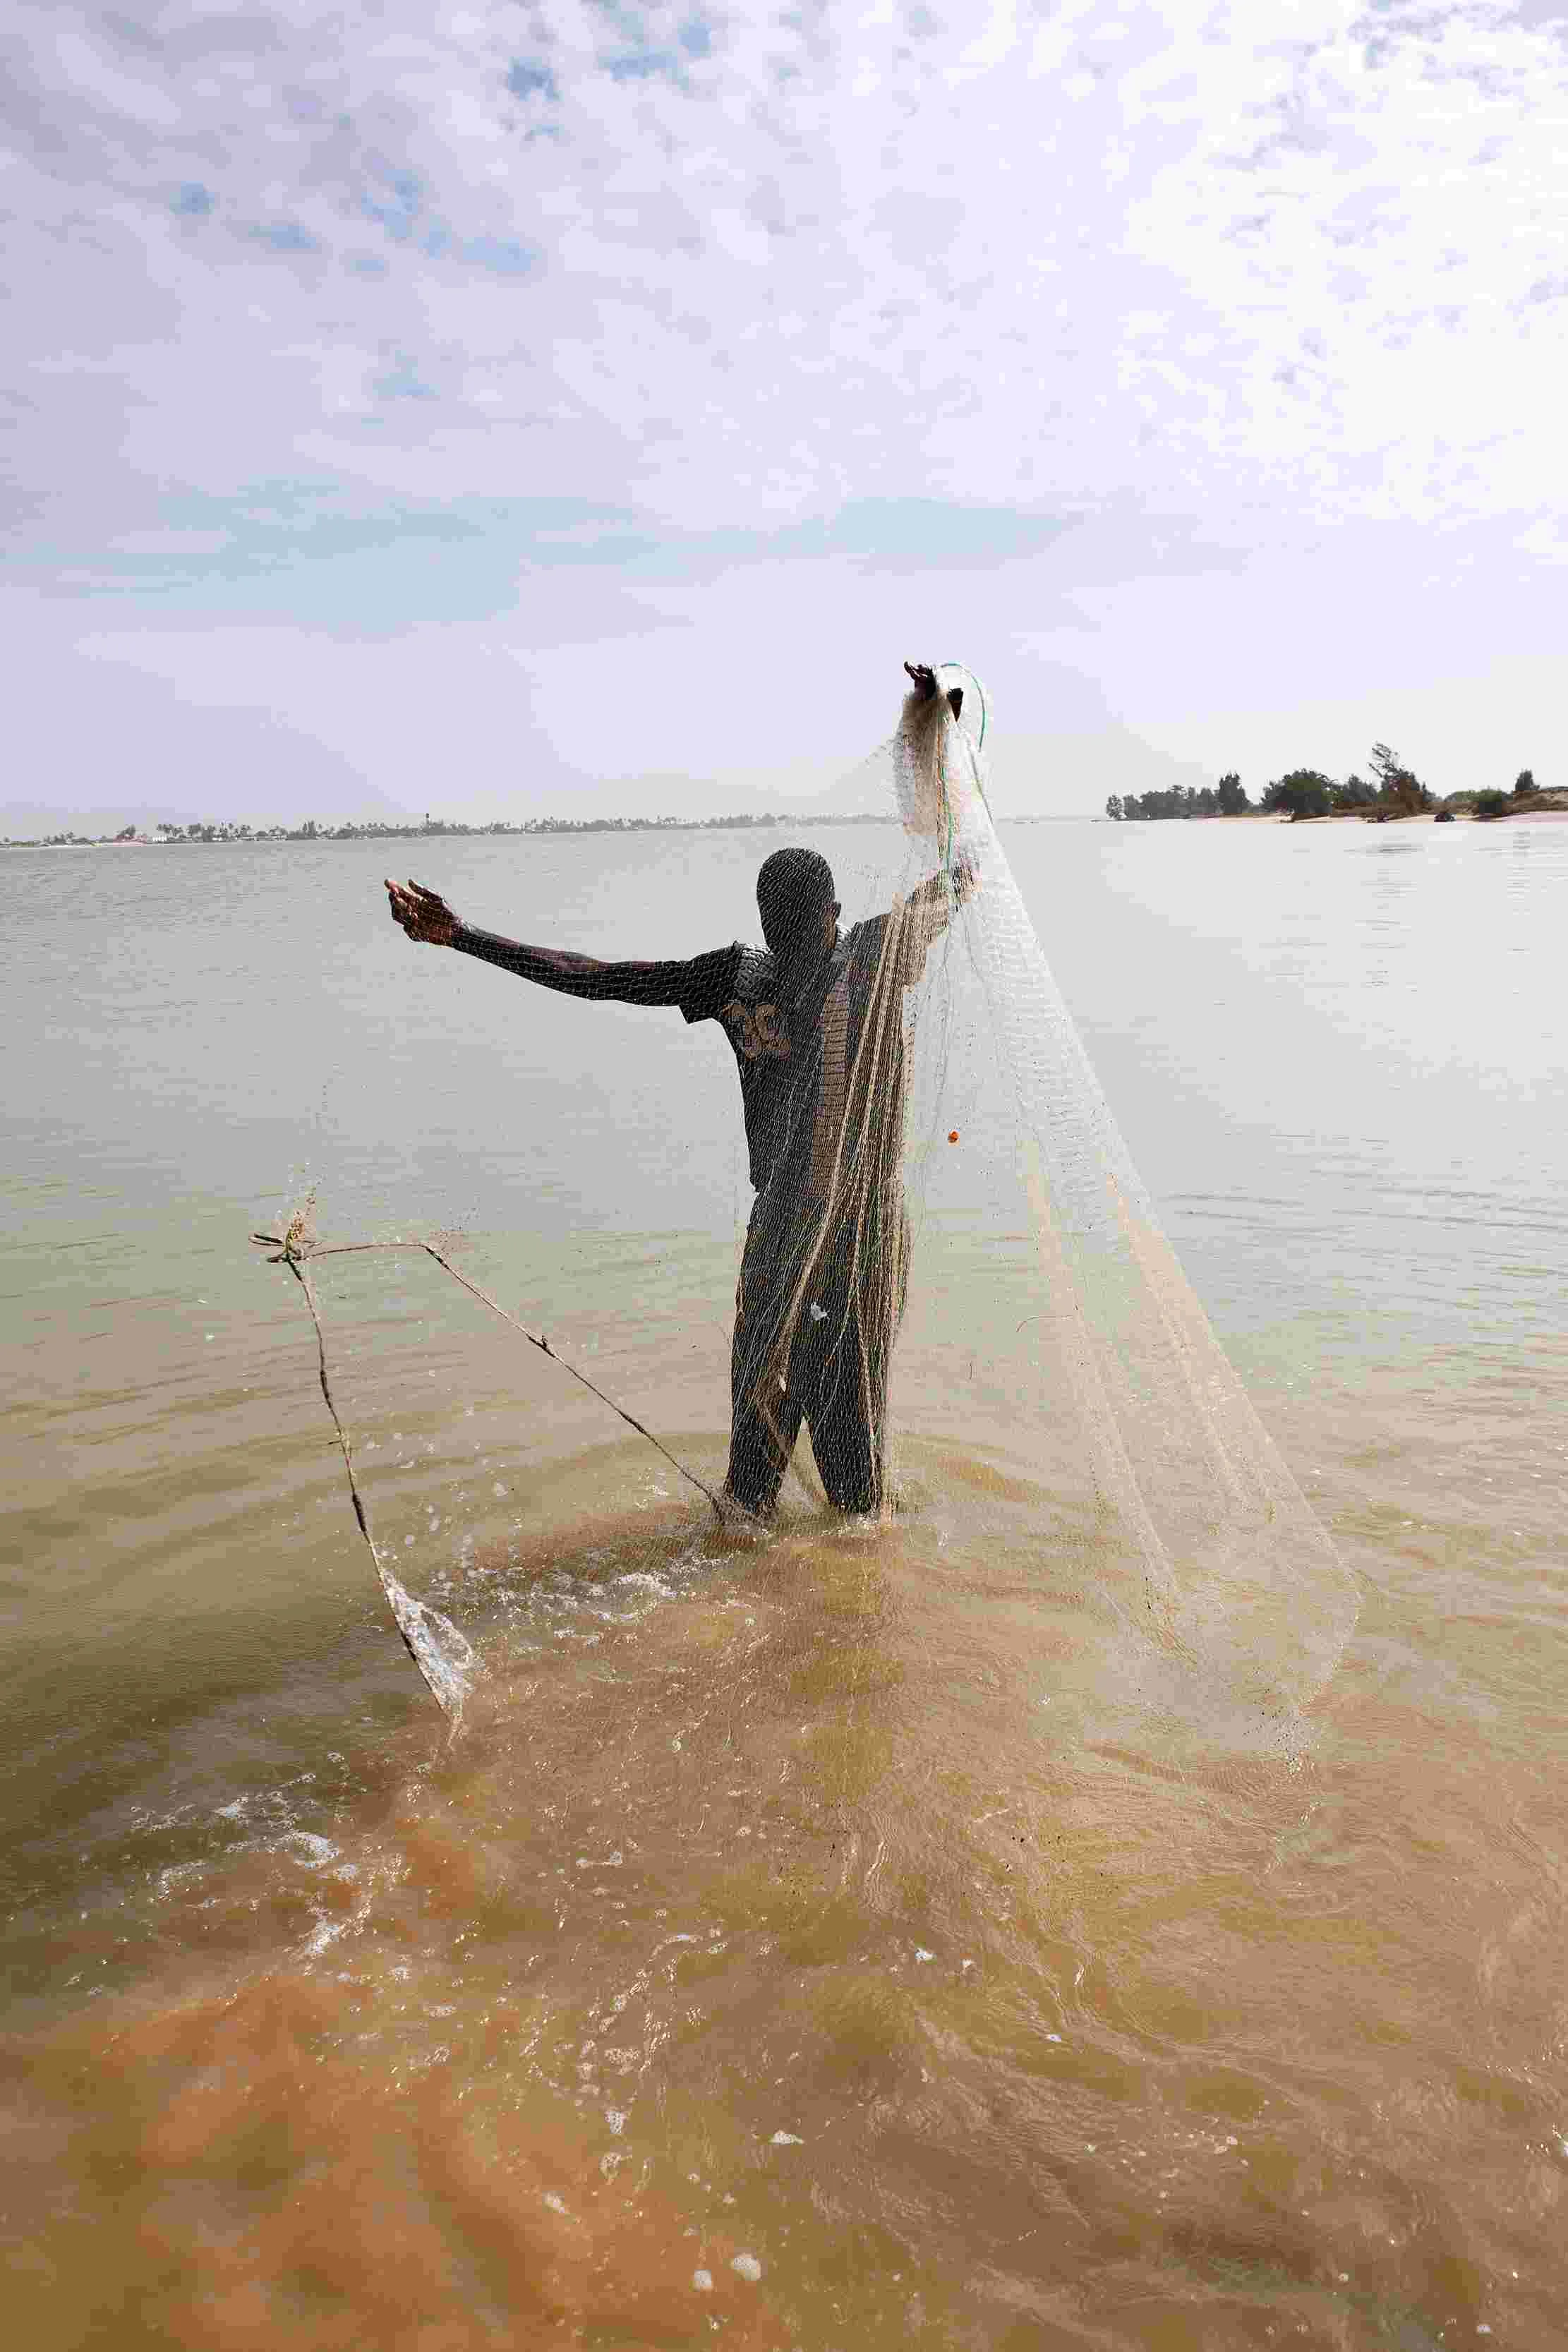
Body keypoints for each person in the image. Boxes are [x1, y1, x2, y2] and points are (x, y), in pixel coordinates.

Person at [385, 661, 974, 1521]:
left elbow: (599, 978)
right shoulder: (869, 955)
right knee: (833, 1457)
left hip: (811, 1231)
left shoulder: (741, 977)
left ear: (780, 923)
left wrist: (464, 937)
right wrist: (937, 740)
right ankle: (846, 1592)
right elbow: (962, 870)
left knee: (774, 1441)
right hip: (842, 1232)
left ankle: (764, 1579)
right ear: (832, 913)